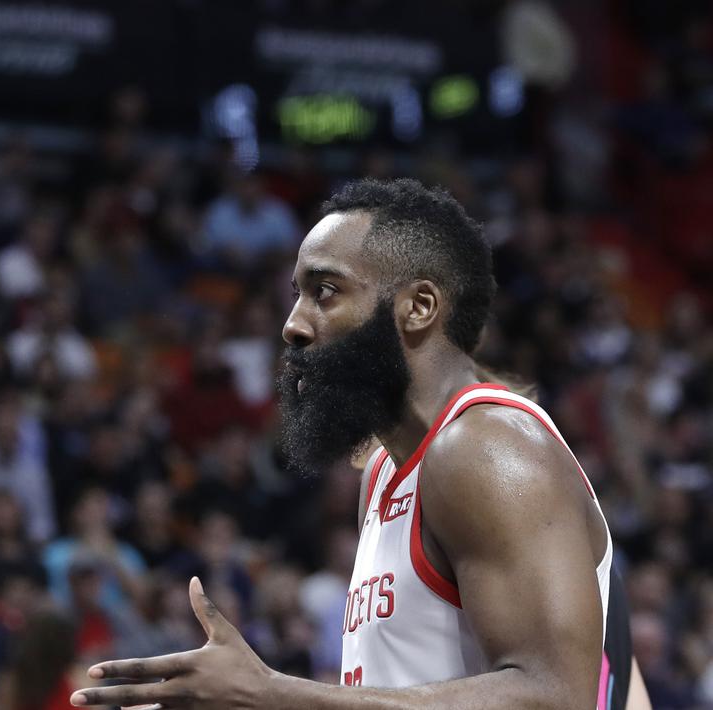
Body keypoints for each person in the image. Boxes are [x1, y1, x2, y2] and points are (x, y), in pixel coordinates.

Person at [70, 179, 641, 708]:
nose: (292, 323)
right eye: (297, 294)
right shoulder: (384, 472)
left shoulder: (486, 448)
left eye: (324, 291)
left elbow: (556, 696)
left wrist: (275, 695)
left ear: (418, 307)